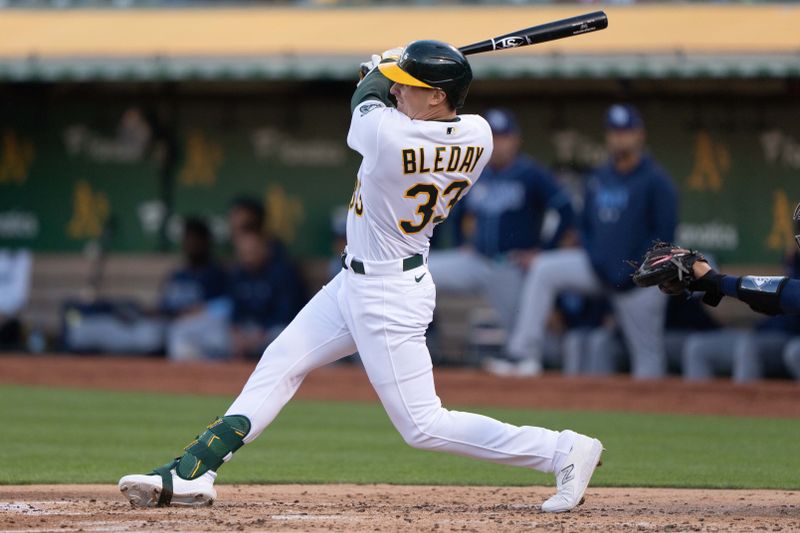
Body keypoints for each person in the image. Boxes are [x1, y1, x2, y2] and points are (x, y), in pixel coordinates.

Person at [118, 40, 603, 514]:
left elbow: (364, 100)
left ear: (438, 97)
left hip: (388, 293)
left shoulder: (388, 136)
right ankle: (193, 470)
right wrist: (401, 70)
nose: (397, 90)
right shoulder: (479, 134)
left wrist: (378, 71)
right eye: (398, 85)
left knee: (424, 426)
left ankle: (561, 450)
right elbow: (388, 100)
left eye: (410, 86)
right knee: (281, 361)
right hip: (357, 281)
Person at [502, 104, 679, 379]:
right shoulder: (599, 177)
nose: (620, 138)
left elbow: (664, 236)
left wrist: (635, 271)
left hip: (639, 280)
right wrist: (598, 261)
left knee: (647, 358)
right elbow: (584, 226)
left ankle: (657, 409)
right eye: (615, 131)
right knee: (544, 269)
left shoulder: (656, 181)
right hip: (598, 270)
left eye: (626, 131)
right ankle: (523, 354)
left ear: (639, 135)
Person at [428, 108, 575, 344]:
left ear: (515, 139)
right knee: (420, 271)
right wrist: (460, 244)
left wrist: (544, 251)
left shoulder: (531, 173)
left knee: (519, 336)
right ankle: (417, 337)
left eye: (503, 137)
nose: (498, 144)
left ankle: (536, 367)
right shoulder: (475, 173)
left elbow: (566, 210)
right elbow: (453, 214)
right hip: (476, 261)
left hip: (510, 266)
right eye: (493, 137)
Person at [227, 228, 305, 359]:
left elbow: (285, 315)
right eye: (244, 253)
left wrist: (259, 334)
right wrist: (237, 332)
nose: (248, 259)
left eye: (252, 252)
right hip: (248, 330)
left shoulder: (282, 272)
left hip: (273, 330)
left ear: (264, 249)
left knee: (282, 336)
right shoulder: (238, 274)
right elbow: (235, 312)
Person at [160, 218, 230, 361]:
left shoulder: (216, 274)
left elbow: (227, 305)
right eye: (188, 239)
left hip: (207, 327)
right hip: (174, 324)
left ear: (206, 242)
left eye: (195, 239)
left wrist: (201, 310)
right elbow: (163, 306)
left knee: (179, 333)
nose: (191, 244)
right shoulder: (177, 275)